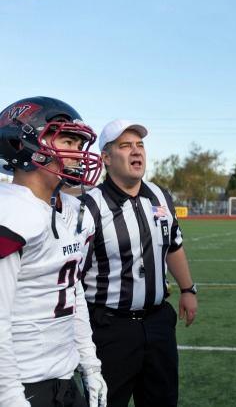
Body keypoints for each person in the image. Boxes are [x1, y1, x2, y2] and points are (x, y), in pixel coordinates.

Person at [80, 119, 198, 407]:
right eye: (125, 146)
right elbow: (74, 276)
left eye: (140, 145)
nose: (136, 152)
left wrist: (187, 289)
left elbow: (173, 245)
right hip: (110, 328)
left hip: (158, 323)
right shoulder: (89, 206)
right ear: (106, 158)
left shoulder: (159, 195)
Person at [0, 97, 107, 407]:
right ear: (25, 143)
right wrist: (9, 397)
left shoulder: (75, 211)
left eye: (79, 143)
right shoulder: (12, 210)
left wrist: (89, 364)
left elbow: (73, 291)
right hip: (21, 382)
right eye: (68, 140)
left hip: (63, 377)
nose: (78, 153)